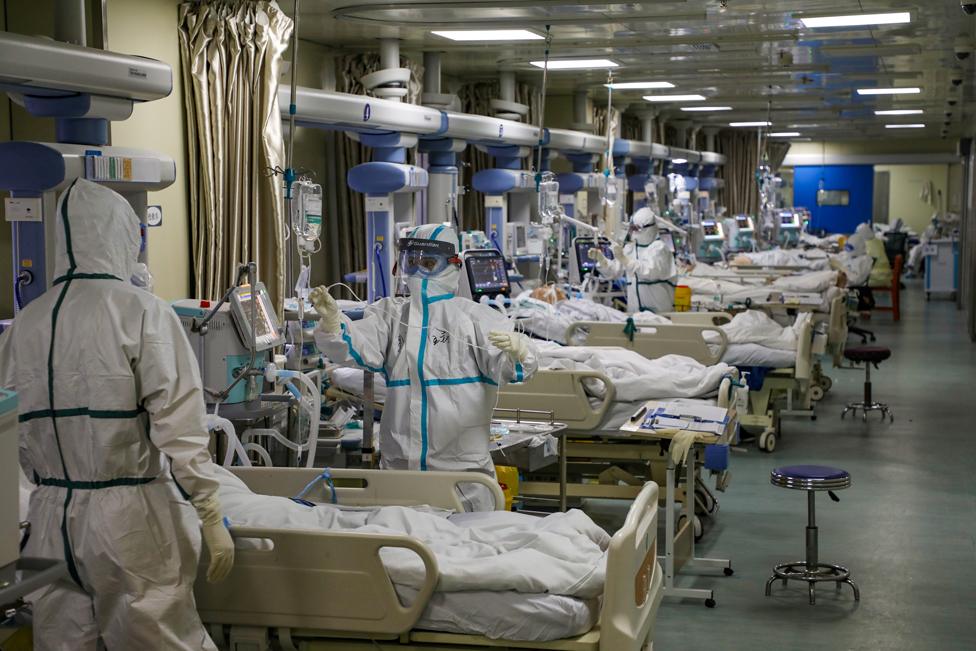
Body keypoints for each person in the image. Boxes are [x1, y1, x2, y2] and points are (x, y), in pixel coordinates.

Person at [0, 179, 234, 650]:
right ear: (120, 237)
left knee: (62, 641)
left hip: (49, 523)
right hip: (128, 522)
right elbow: (180, 429)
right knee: (159, 637)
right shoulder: (142, 313)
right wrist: (209, 510)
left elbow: (11, 430)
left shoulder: (26, 321)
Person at [310, 224, 538, 510]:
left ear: (452, 266)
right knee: (403, 548)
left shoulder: (476, 320)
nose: (418, 272)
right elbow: (355, 346)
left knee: (465, 547)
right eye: (411, 262)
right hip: (400, 471)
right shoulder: (391, 315)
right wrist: (334, 324)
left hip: (461, 476)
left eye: (429, 263)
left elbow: (511, 369)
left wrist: (520, 353)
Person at [589, 206, 678, 314]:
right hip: (635, 313)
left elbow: (649, 271)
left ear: (649, 228)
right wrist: (602, 260)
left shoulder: (659, 248)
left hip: (659, 312)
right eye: (633, 228)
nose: (634, 232)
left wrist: (625, 260)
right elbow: (614, 272)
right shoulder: (631, 248)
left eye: (637, 229)